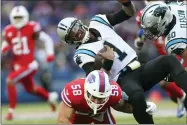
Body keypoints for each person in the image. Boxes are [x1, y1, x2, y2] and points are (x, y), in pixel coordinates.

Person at [56, 0, 187, 123]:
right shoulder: (82, 54)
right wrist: (108, 62)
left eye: (75, 29)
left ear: (80, 23)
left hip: (139, 67)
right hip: (122, 79)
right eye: (72, 35)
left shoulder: (98, 21)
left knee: (169, 61)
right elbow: (97, 79)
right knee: (137, 97)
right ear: (70, 41)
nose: (77, 33)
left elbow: (128, 12)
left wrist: (126, 2)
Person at [1, 5, 58, 120]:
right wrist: (4, 48)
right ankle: (50, 97)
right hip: (17, 66)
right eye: (15, 18)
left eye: (19, 17)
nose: (18, 20)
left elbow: (46, 39)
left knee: (10, 80)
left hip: (30, 64)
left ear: (25, 17)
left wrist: (50, 53)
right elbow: (7, 43)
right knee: (31, 89)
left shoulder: (32, 27)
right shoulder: (8, 30)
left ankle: (11, 111)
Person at [134, 0, 186, 118]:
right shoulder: (170, 6)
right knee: (167, 83)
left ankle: (183, 98)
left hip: (177, 47)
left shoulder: (173, 39)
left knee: (168, 81)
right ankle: (182, 98)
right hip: (168, 52)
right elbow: (143, 31)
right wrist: (140, 40)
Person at [57, 69, 157, 124]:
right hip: (77, 115)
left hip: (102, 114)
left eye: (100, 98)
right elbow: (62, 120)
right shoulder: (73, 91)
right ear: (86, 90)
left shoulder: (114, 91)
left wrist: (141, 107)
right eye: (94, 96)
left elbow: (122, 107)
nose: (96, 102)